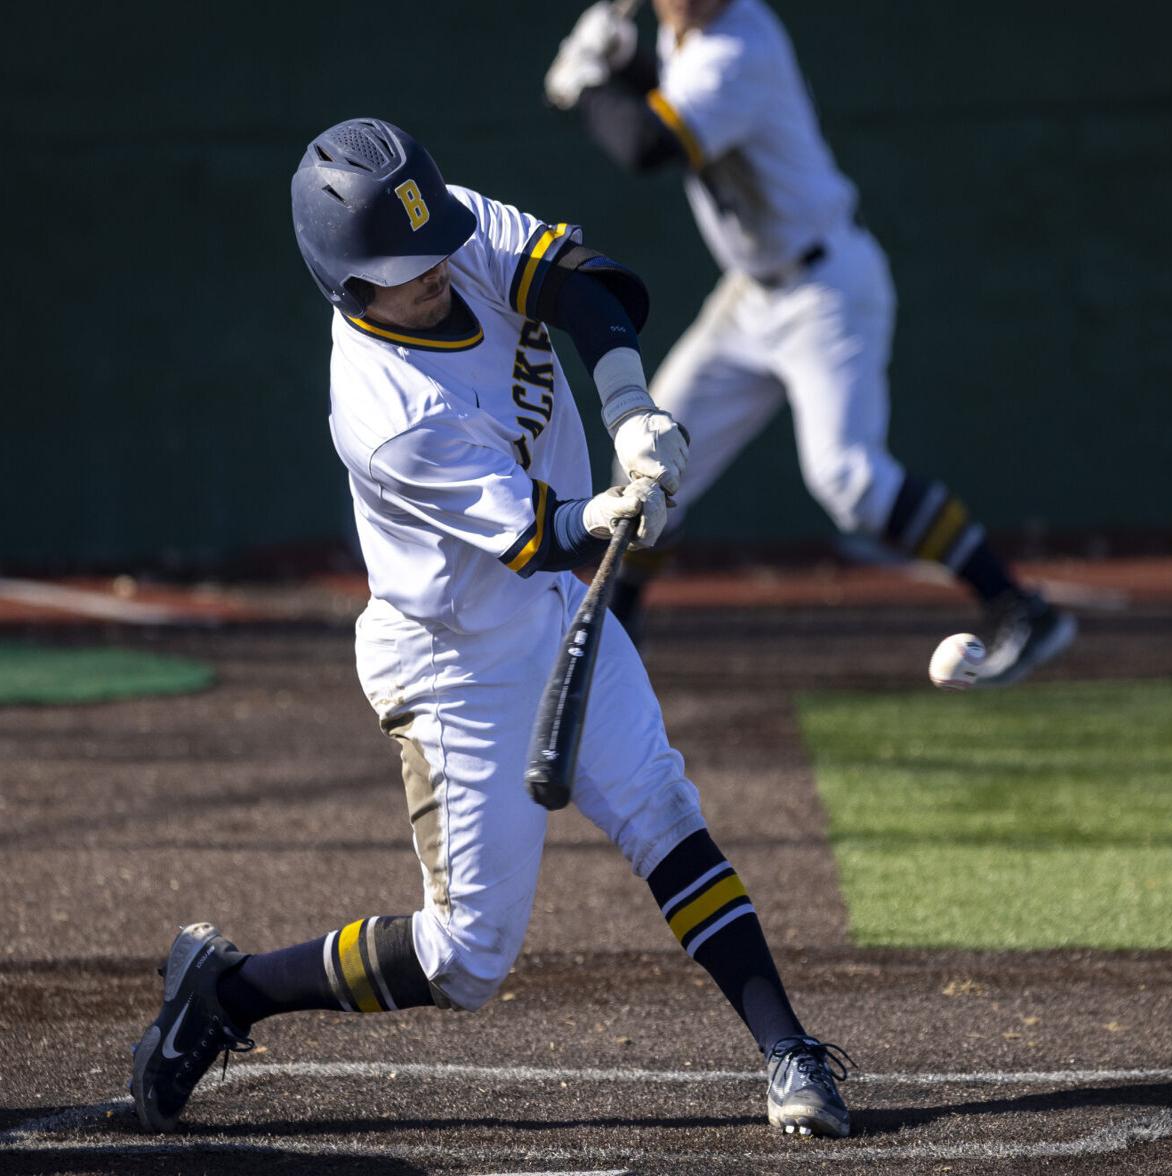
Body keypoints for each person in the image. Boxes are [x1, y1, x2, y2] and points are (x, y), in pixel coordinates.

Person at [128, 117, 853, 1140]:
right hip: (452, 661)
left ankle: (789, 1050)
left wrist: (631, 408)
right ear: (346, 286)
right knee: (466, 960)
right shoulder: (385, 410)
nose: (433, 271)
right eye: (401, 268)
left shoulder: (437, 221)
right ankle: (227, 994)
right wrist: (605, 512)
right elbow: (540, 534)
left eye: (433, 248)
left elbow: (579, 285)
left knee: (659, 805)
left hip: (552, 611)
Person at [544, 0, 1076, 684]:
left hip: (824, 288)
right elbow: (669, 103)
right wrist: (626, 64)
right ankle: (618, 637)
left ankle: (1020, 607)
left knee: (848, 479)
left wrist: (590, 85)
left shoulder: (740, 42)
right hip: (752, 294)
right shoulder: (686, 36)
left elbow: (651, 144)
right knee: (647, 461)